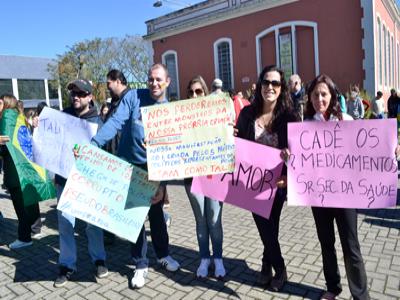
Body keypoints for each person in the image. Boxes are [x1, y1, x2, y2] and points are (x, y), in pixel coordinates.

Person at [91, 64, 180, 289]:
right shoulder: (133, 97)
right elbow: (115, 123)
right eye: (150, 79)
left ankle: (163, 255)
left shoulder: (169, 110)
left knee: (157, 213)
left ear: (167, 82)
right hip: (130, 165)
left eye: (159, 79)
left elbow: (172, 153)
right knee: (135, 218)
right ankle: (140, 264)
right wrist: (94, 144)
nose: (154, 83)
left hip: (154, 168)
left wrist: (163, 184)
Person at [303, 74, 369, 300]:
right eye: (315, 95)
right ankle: (333, 287)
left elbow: (367, 150)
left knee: (351, 245)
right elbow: (299, 162)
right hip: (318, 196)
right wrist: (288, 156)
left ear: (332, 96)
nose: (319, 98)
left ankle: (360, 295)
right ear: (310, 98)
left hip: (345, 195)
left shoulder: (347, 121)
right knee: (326, 243)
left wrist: (392, 148)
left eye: (323, 94)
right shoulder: (305, 126)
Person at [236, 65, 299, 291]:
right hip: (252, 183)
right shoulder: (246, 114)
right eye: (266, 82)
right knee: (265, 226)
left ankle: (269, 266)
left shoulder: (290, 117)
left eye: (275, 83)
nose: (270, 87)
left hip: (278, 183)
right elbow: (238, 143)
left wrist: (289, 166)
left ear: (282, 88)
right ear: (260, 85)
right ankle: (278, 267)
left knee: (271, 226)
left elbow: (299, 151)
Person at [53, 79, 108, 288]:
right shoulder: (62, 117)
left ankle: (99, 260)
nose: (75, 96)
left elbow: (106, 153)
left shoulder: (99, 122)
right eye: (73, 93)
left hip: (89, 183)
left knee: (93, 225)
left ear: (90, 97)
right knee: (66, 225)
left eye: (81, 93)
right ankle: (67, 265)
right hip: (64, 180)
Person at [183, 75, 226, 278]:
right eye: (191, 92)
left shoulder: (217, 114)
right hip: (192, 177)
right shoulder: (179, 118)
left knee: (214, 219)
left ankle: (217, 259)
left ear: (205, 93)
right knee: (201, 220)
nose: (194, 95)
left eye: (198, 91)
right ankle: (204, 258)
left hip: (214, 175)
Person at [0, 94, 42, 249]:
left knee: (20, 206)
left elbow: (6, 148)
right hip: (25, 169)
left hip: (15, 171)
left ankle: (24, 238)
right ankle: (35, 229)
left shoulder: (6, 119)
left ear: (5, 103)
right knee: (29, 201)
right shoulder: (19, 118)